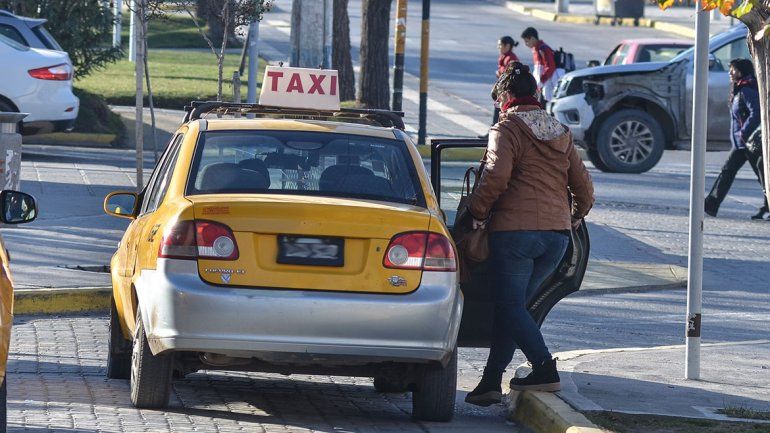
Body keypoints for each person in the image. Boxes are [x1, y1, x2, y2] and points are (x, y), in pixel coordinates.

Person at [464, 62, 595, 407]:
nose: (499, 104)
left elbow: (495, 176)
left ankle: (544, 366)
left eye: (499, 98)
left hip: (515, 234)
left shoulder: (507, 128)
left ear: (506, 95)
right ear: (535, 93)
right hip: (557, 237)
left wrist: (476, 213)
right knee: (514, 308)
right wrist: (575, 216)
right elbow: (584, 188)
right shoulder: (560, 130)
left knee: (509, 306)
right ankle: (490, 382)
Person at [704, 58, 767, 220]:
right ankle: (710, 205)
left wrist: (743, 133)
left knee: (738, 172)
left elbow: (757, 113)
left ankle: (710, 204)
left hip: (749, 142)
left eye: (733, 69)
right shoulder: (740, 88)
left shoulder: (747, 89)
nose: (730, 73)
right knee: (760, 174)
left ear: (742, 71)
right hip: (743, 143)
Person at [480, 36, 520, 139]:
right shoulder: (505, 57)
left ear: (507, 46)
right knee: (498, 111)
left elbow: (511, 75)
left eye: (500, 45)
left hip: (507, 92)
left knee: (501, 111)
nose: (498, 47)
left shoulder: (511, 59)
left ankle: (496, 133)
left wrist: (500, 74)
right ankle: (494, 131)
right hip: (502, 90)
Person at [521, 27, 560, 103]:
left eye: (527, 41)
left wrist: (541, 81)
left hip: (547, 85)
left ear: (532, 38)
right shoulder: (535, 50)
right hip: (541, 86)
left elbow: (550, 67)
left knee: (546, 105)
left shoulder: (543, 49)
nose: (526, 44)